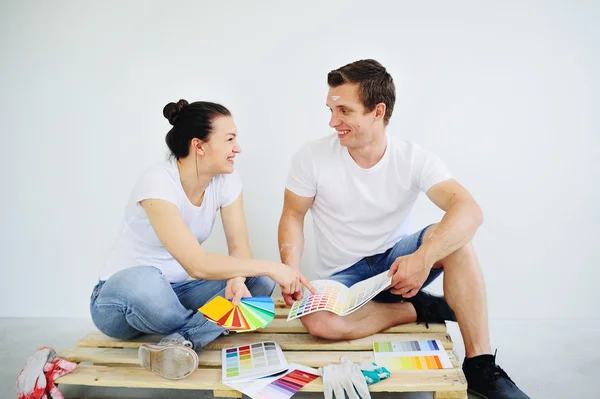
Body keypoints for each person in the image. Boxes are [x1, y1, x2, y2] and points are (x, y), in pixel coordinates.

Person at [278, 60, 529, 398]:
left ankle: (480, 365)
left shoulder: (413, 158)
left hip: (399, 263)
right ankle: (421, 308)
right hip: (342, 276)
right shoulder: (311, 157)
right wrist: (290, 270)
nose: (333, 121)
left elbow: (469, 210)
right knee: (319, 322)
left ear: (377, 111)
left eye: (344, 111)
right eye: (330, 109)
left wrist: (424, 257)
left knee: (458, 241)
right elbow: (293, 215)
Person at [90, 99, 314, 380]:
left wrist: (237, 279)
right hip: (120, 301)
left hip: (180, 293)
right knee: (146, 280)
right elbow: (196, 264)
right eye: (230, 139)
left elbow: (238, 248)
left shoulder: (226, 181)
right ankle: (203, 328)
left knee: (259, 283)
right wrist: (272, 265)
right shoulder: (157, 181)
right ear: (199, 146)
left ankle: (179, 341)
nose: (238, 148)